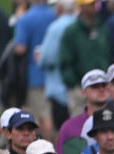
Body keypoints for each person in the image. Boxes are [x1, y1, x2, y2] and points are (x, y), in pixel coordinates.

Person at [13, 0, 57, 139]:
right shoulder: (55, 15)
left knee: (41, 117)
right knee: (51, 115)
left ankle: (45, 151)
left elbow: (20, 48)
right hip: (55, 75)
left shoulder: (25, 19)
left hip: (35, 75)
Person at [59, 0, 111, 116]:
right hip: (79, 90)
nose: (94, 7)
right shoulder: (71, 32)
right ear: (81, 7)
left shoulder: (102, 28)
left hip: (102, 87)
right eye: (90, 4)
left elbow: (108, 54)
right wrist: (74, 85)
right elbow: (65, 61)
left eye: (94, 3)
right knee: (80, 126)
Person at [56, 69, 110, 154]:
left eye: (104, 85)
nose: (101, 89)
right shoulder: (69, 127)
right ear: (84, 92)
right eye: (95, 86)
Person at [37, 0, 78, 131]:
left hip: (59, 88)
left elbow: (47, 57)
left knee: (62, 129)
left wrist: (39, 57)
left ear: (60, 8)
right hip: (79, 88)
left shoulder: (55, 27)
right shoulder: (79, 24)